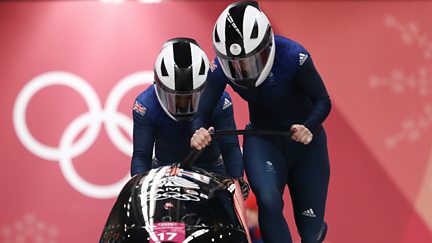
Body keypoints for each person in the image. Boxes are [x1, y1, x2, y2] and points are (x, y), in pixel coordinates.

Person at [190, 1, 331, 243]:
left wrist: (309, 125)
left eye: (252, 60)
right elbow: (201, 113)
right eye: (235, 63)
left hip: (306, 145)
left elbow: (323, 101)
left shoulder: (294, 56)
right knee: (267, 199)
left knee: (310, 231)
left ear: (268, 44)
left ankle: (314, 230)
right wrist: (198, 131)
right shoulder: (221, 68)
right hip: (263, 140)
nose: (244, 70)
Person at [131, 38, 249, 199]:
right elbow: (141, 155)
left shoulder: (219, 100)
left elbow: (230, 148)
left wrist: (236, 180)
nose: (183, 104)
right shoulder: (145, 105)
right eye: (175, 98)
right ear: (158, 86)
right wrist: (139, 187)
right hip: (164, 171)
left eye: (191, 97)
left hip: (211, 170)